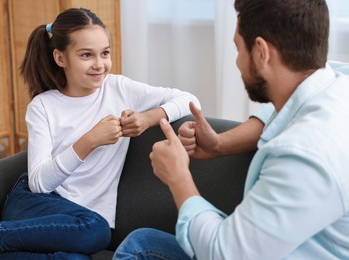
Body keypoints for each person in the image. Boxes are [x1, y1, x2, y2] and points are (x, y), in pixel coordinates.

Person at [113, 0, 349, 259]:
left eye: (238, 48)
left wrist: (177, 176)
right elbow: (287, 109)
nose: (237, 62)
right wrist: (219, 144)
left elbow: (223, 253)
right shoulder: (336, 82)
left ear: (261, 52)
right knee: (141, 243)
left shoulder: (303, 155)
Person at [0, 8, 200, 259]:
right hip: (34, 204)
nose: (99, 64)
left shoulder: (119, 88)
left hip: (79, 220)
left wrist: (147, 118)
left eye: (105, 53)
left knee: (77, 254)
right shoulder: (43, 106)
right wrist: (90, 140)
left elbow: (190, 100)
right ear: (61, 58)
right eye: (86, 55)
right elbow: (39, 184)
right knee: (96, 231)